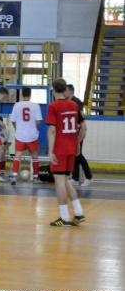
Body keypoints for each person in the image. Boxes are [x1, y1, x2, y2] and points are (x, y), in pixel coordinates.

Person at [46, 78, 87, 227]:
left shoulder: (53, 106)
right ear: (65, 90)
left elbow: (52, 130)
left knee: (59, 182)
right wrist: (77, 143)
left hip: (60, 148)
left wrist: (51, 151)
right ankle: (78, 212)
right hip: (71, 147)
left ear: (53, 90)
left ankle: (64, 217)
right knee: (65, 180)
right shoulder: (74, 105)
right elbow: (83, 127)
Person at [10, 86, 43, 184]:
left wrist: (18, 128)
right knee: (34, 156)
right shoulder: (35, 105)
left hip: (20, 134)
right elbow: (39, 121)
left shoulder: (17, 105)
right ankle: (36, 177)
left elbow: (13, 121)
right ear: (30, 94)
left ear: (21, 94)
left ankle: (14, 176)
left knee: (17, 156)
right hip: (32, 134)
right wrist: (33, 127)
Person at [65, 84, 92, 186]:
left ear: (70, 91)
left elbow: (81, 117)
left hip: (79, 132)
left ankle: (89, 176)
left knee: (78, 154)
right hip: (72, 132)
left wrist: (79, 128)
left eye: (66, 91)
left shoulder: (77, 102)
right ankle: (75, 177)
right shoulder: (68, 102)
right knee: (74, 154)